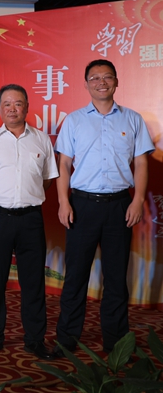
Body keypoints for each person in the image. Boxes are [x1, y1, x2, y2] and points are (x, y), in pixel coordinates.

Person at [53, 59, 153, 356]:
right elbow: (64, 164)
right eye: (94, 78)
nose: (101, 82)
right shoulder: (74, 120)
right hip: (81, 206)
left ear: (116, 82)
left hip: (120, 206)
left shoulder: (132, 119)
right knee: (75, 277)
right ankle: (66, 339)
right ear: (86, 84)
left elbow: (141, 163)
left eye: (107, 77)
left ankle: (116, 342)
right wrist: (63, 202)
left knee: (116, 278)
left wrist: (137, 200)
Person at [0, 84, 57, 360]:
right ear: (0, 108)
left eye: (18, 103)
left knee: (33, 283)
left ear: (27, 107)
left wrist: (26, 196)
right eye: (7, 104)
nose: (13, 109)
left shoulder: (41, 139)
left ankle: (35, 339)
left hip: (31, 219)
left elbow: (47, 179)